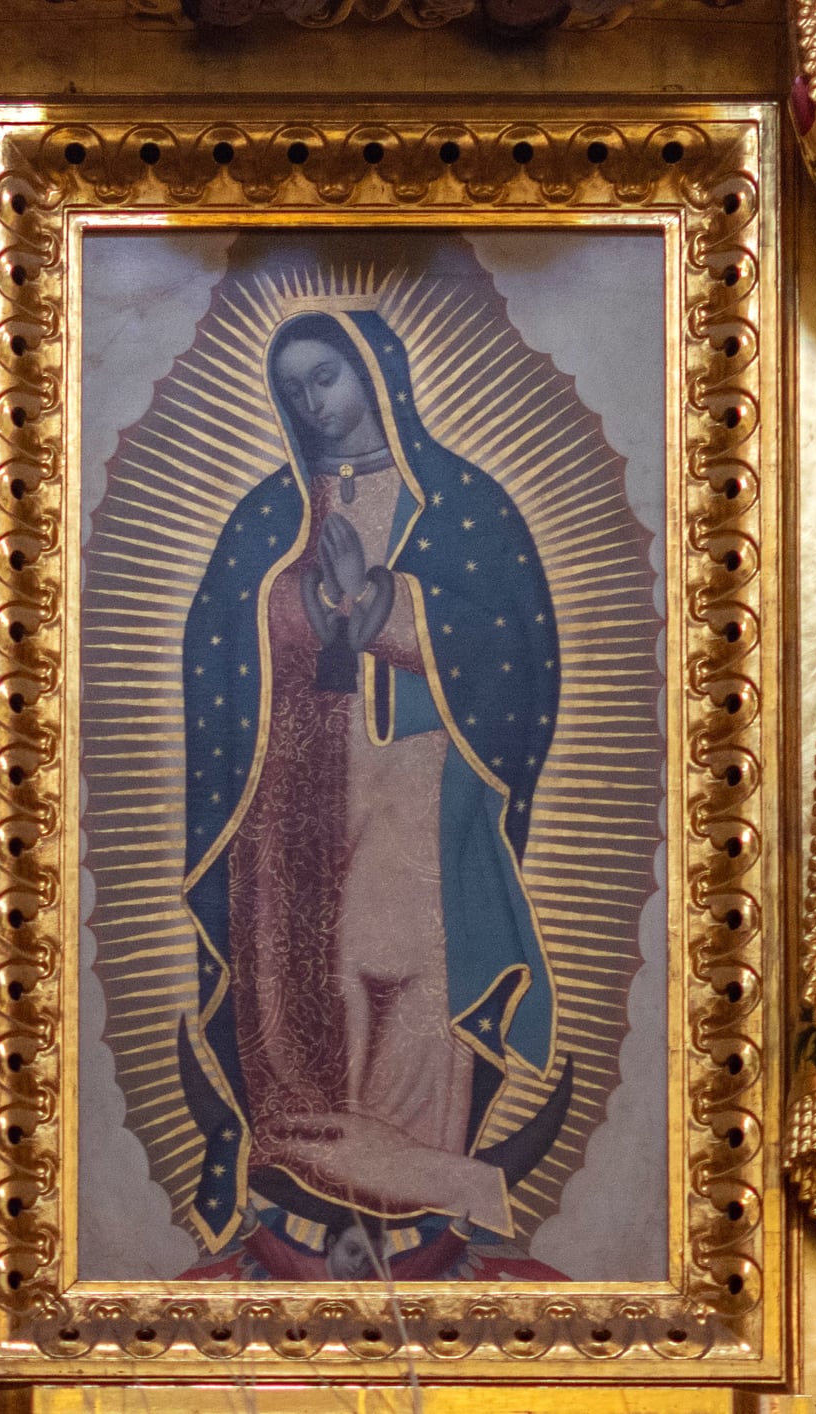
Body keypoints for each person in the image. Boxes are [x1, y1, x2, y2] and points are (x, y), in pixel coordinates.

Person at [173, 305, 571, 1279]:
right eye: (297, 384)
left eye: (329, 377)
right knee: (307, 987)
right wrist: (305, 608)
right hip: (292, 809)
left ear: (377, 375)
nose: (314, 402)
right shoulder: (268, 516)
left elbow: (517, 655)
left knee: (411, 975)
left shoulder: (465, 505)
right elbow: (214, 659)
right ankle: (316, 1212)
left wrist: (386, 605)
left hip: (420, 790)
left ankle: (429, 1208)